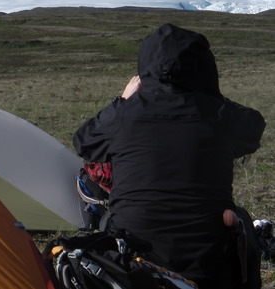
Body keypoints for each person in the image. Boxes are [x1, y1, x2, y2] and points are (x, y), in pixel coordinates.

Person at [73, 23, 266, 289]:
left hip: (133, 262)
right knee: (240, 220)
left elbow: (83, 142)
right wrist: (211, 95)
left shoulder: (123, 115)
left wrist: (123, 99)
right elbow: (254, 128)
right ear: (205, 68)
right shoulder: (219, 115)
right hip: (207, 264)